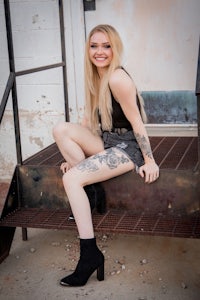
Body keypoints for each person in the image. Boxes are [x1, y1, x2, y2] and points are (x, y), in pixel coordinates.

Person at [53, 24, 159, 287]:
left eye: (106, 46)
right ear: (88, 49)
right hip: (108, 141)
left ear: (115, 48)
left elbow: (137, 124)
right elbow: (88, 121)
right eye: (94, 46)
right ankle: (92, 190)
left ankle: (90, 254)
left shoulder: (117, 78)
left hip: (127, 147)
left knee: (71, 180)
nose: (99, 52)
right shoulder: (96, 76)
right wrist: (74, 153)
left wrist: (149, 160)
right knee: (61, 129)